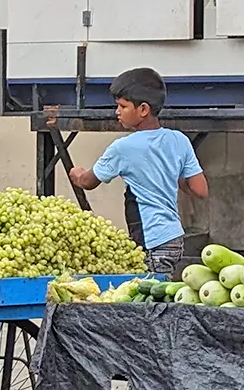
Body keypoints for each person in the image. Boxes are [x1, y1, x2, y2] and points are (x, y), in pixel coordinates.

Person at [67, 68, 208, 276]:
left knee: (151, 296)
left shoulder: (123, 147)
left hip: (150, 239)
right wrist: (169, 171)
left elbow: (89, 182)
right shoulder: (179, 140)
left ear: (143, 109)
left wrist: (76, 173)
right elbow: (200, 190)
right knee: (163, 287)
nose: (117, 111)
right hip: (174, 238)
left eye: (123, 106)